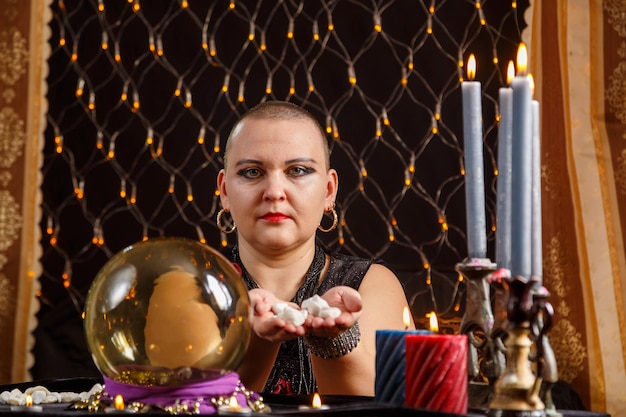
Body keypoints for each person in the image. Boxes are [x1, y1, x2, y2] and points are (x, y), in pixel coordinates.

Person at [216, 101, 413, 397]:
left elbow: (387, 409)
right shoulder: (194, 285)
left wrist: (333, 340)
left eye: (297, 170)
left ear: (329, 191)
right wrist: (257, 340)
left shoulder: (373, 284)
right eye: (252, 172)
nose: (274, 192)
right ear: (225, 192)